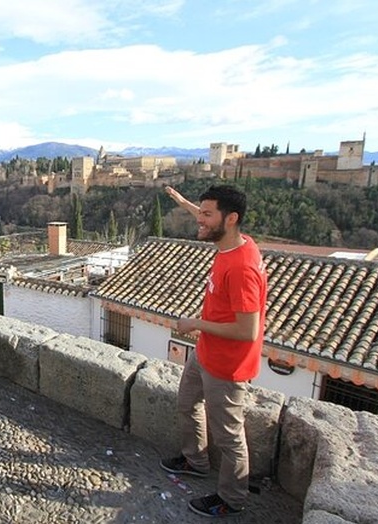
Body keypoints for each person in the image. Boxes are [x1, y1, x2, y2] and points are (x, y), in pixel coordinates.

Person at [159, 185, 268, 518]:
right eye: (200, 212)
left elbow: (248, 330)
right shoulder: (235, 241)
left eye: (207, 215)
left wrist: (196, 324)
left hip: (227, 366)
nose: (199, 221)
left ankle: (232, 499)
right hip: (206, 353)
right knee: (187, 403)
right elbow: (206, 217)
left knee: (229, 436)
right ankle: (195, 460)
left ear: (230, 219)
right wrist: (182, 202)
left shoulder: (242, 267)